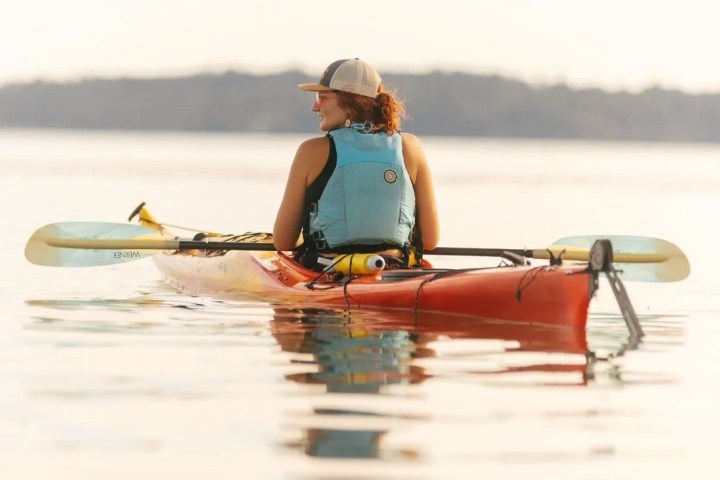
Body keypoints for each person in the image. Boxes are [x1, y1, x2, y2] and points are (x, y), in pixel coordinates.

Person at [273, 58, 439, 268]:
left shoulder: (310, 151)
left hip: (327, 271)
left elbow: (283, 241)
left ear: (350, 102)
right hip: (394, 268)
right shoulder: (410, 147)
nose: (315, 107)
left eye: (322, 97)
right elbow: (431, 240)